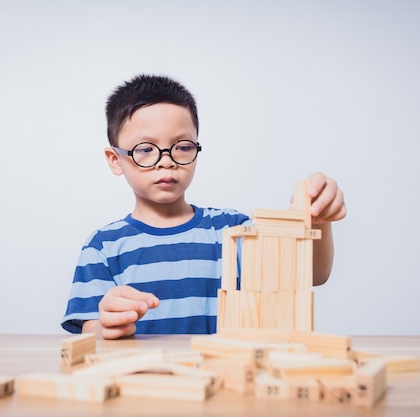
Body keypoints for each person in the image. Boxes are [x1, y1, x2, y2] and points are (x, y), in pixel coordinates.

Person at [61, 74, 346, 339]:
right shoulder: (102, 246)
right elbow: (91, 332)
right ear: (115, 160)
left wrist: (319, 218)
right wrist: (106, 324)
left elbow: (312, 275)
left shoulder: (234, 229)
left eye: (183, 146)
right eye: (145, 149)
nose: (166, 160)